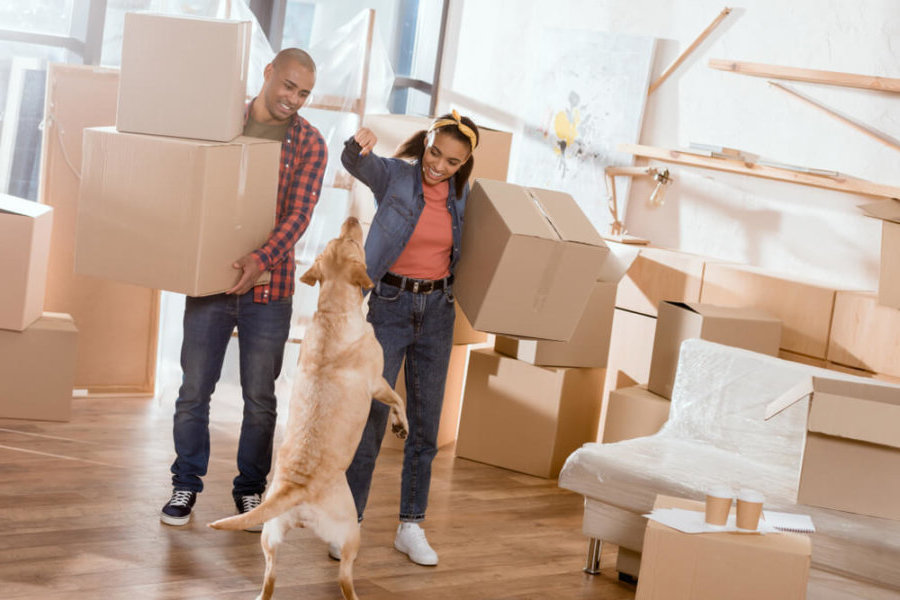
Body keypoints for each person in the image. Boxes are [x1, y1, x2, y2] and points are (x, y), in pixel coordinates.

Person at [160, 48, 327, 529]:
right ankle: (185, 483)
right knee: (194, 390)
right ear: (268, 72)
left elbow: (298, 216)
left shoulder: (310, 143)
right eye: (288, 86)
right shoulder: (220, 122)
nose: (294, 99)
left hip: (269, 292)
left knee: (260, 399)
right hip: (211, 281)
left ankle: (251, 489)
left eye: (304, 93)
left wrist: (260, 260)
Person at [339, 110, 479, 565]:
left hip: (439, 312)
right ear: (427, 142)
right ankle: (349, 523)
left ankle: (411, 525)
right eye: (435, 152)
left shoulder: (463, 197)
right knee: (372, 421)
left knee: (424, 426)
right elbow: (355, 163)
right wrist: (357, 143)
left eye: (452, 162)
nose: (438, 165)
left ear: (464, 165)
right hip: (391, 307)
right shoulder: (396, 176)